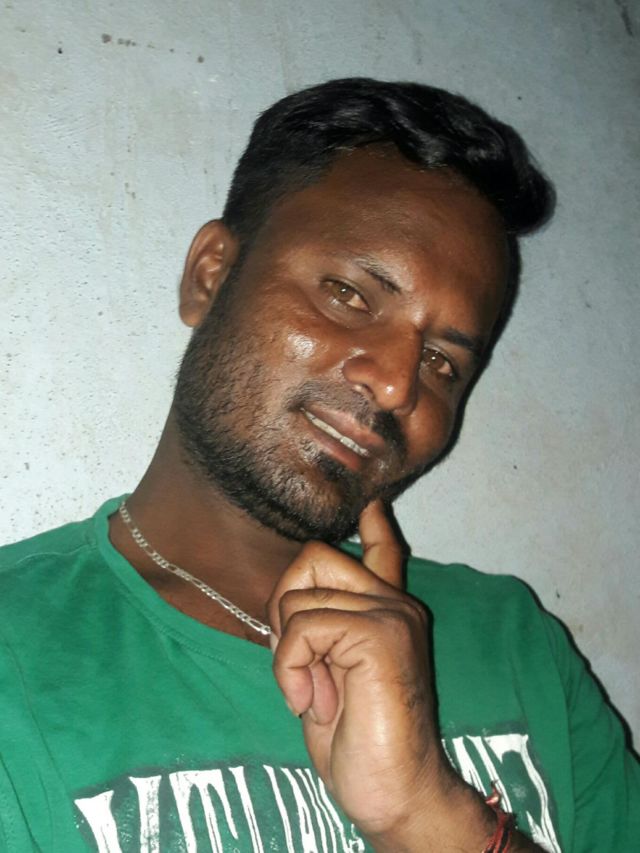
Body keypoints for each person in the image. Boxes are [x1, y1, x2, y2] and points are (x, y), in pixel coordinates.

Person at [0, 78, 637, 853]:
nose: (397, 384)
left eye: (442, 362)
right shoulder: (17, 654)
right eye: (349, 294)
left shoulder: (512, 640)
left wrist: (428, 813)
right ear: (211, 275)